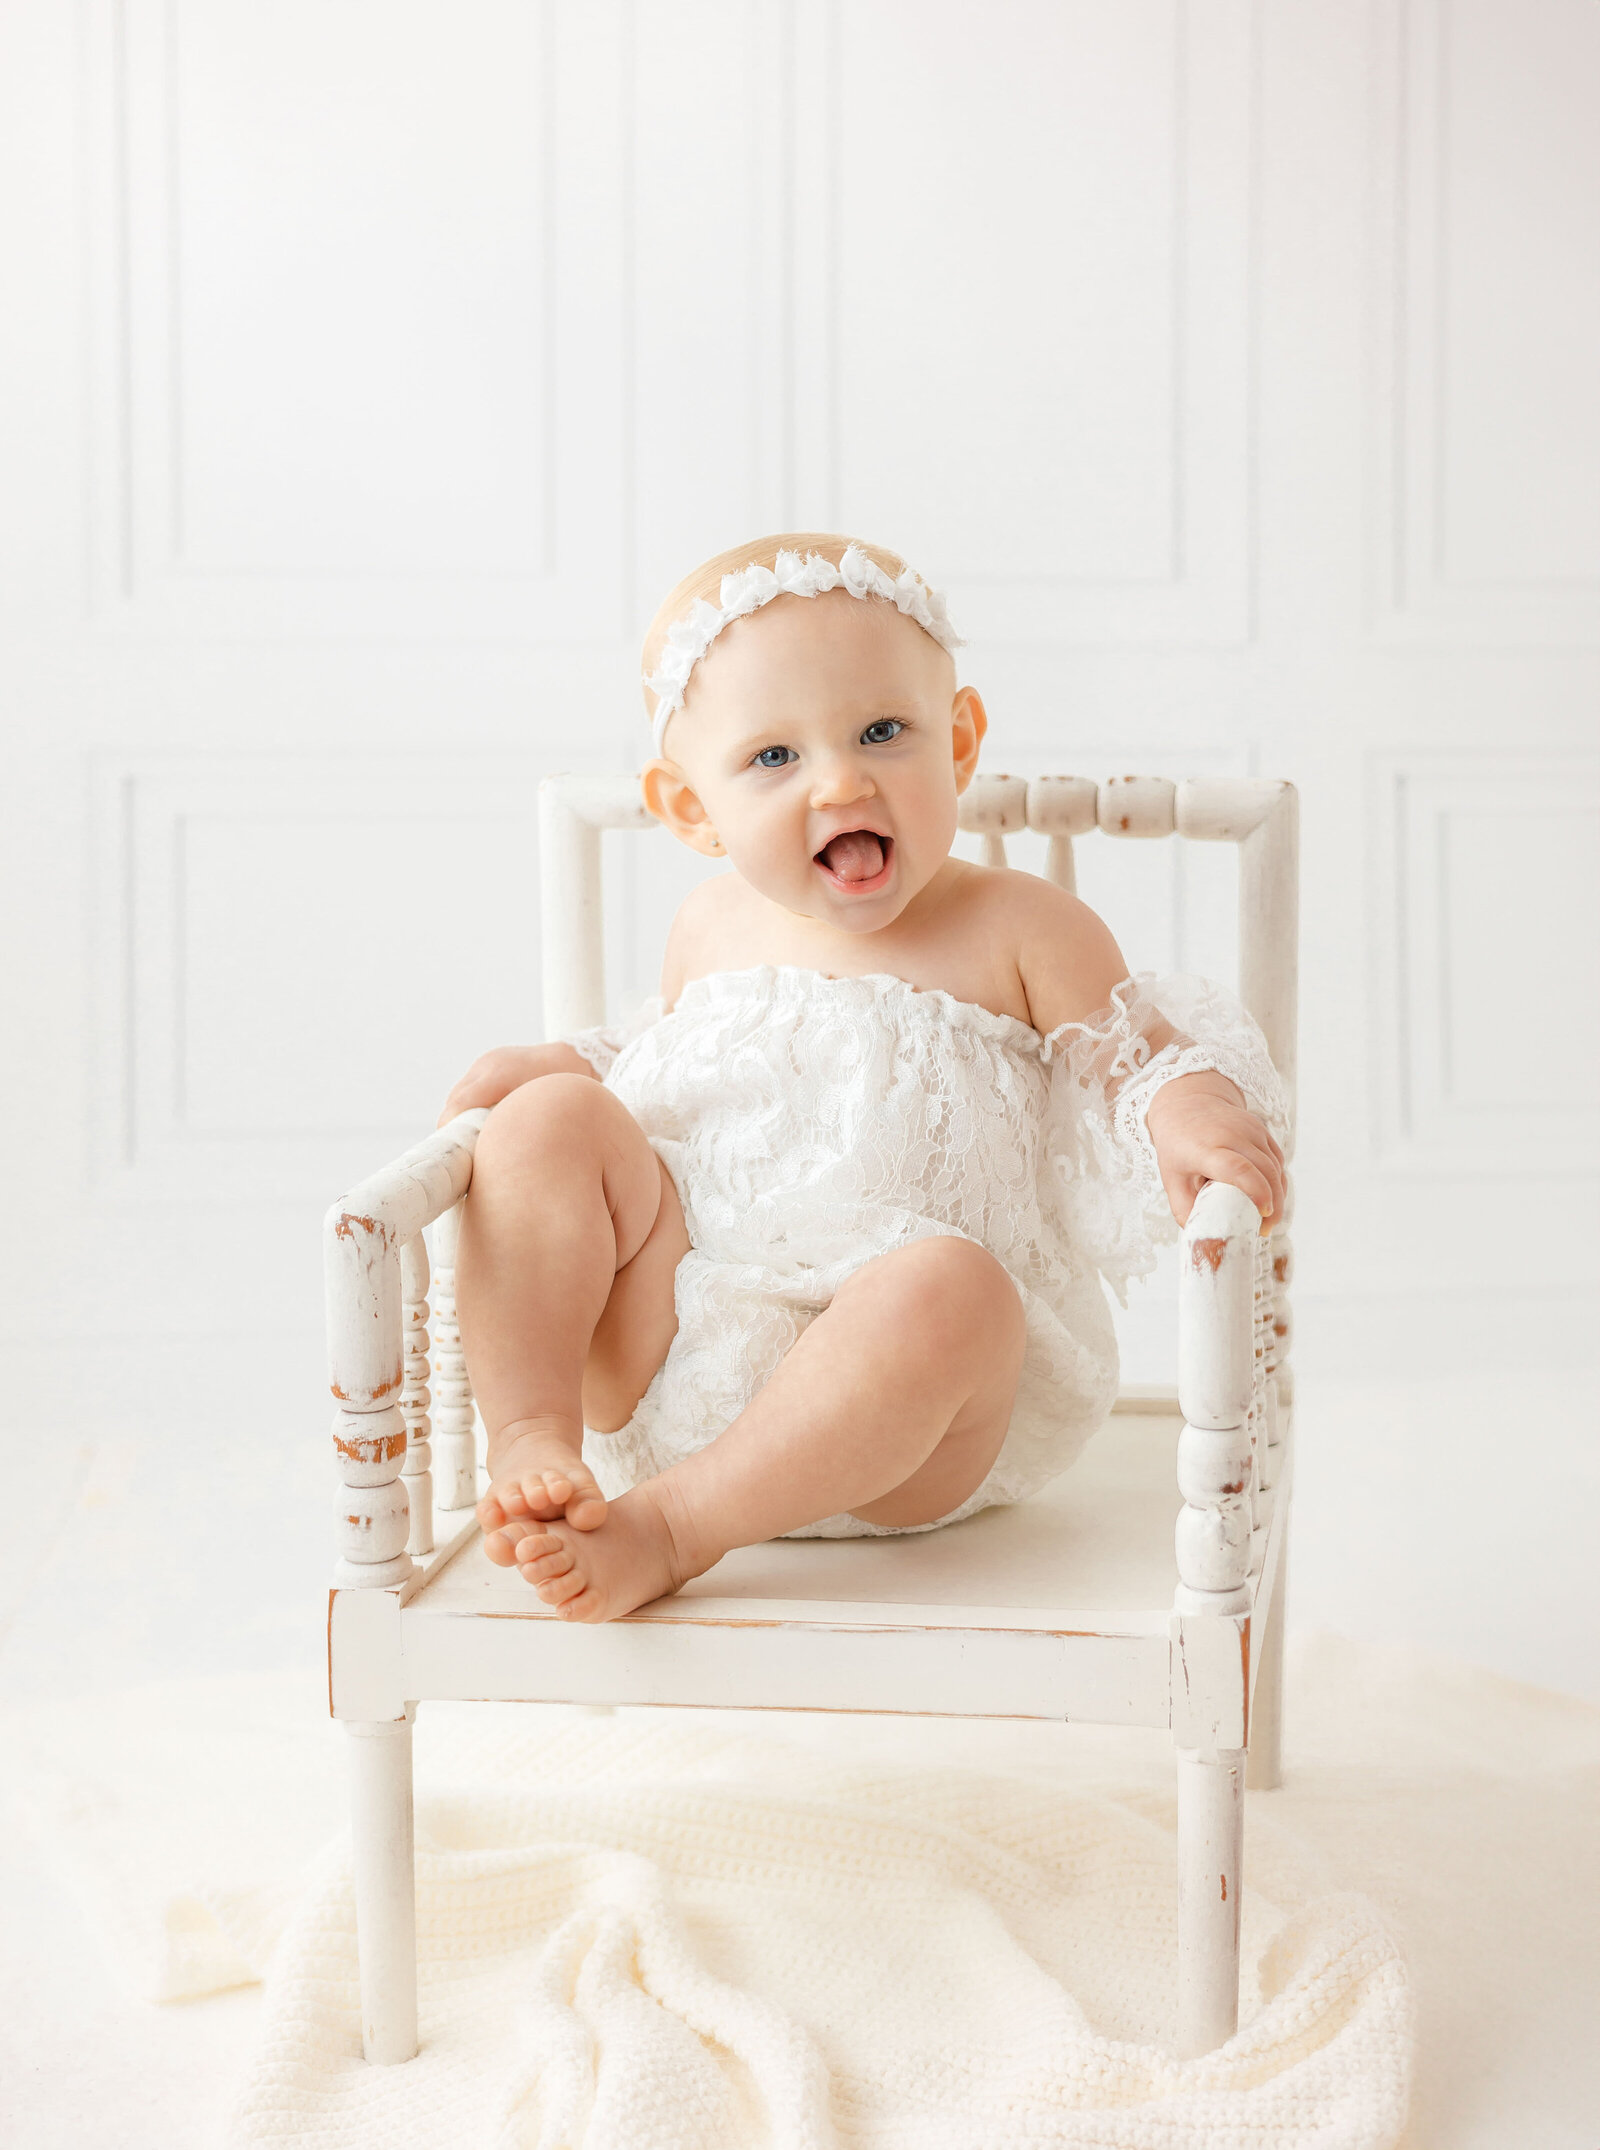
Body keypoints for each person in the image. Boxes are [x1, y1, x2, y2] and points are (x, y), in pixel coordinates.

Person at [438, 534, 1287, 1622]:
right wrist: (566, 1066)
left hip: (907, 1421)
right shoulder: (709, 922)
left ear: (960, 740)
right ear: (691, 808)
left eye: (882, 732)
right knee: (547, 1121)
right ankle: (532, 1435)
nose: (841, 779)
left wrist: (1187, 1102)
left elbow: (1130, 1054)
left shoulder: (1020, 926)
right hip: (676, 1355)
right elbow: (668, 1065)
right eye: (773, 758)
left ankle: (675, 1526)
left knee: (953, 1286)